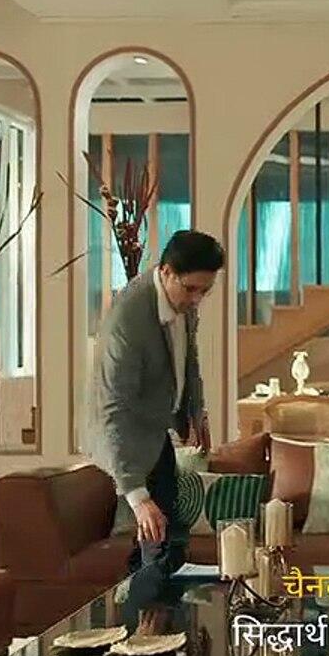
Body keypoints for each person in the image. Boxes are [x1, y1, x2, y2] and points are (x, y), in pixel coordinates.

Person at [83, 229, 223, 579]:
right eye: (191, 289)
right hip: (125, 444)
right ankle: (141, 610)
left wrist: (196, 412)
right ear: (166, 272)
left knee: (171, 543)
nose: (197, 299)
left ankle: (165, 606)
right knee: (153, 550)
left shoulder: (183, 302)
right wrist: (137, 495)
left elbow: (188, 359)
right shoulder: (128, 320)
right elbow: (113, 409)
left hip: (155, 434)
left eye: (205, 291)